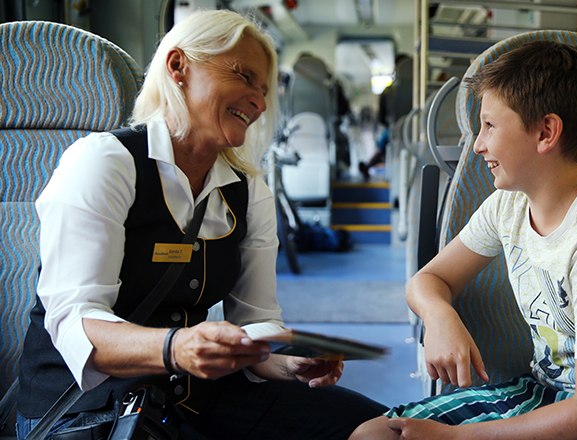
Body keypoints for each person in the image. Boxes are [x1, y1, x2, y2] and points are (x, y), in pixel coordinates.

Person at [16, 9, 386, 439]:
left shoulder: (248, 190)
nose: (260, 102)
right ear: (178, 67)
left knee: (384, 430)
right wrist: (176, 347)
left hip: (196, 397)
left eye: (264, 91)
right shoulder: (104, 162)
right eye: (245, 76)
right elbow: (76, 323)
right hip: (89, 408)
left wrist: (287, 361)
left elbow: (256, 322)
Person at [350, 41, 577, 440]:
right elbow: (428, 280)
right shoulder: (508, 205)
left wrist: (453, 438)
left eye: (489, 126)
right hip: (553, 392)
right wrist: (440, 317)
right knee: (377, 435)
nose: (478, 144)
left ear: (545, 132)